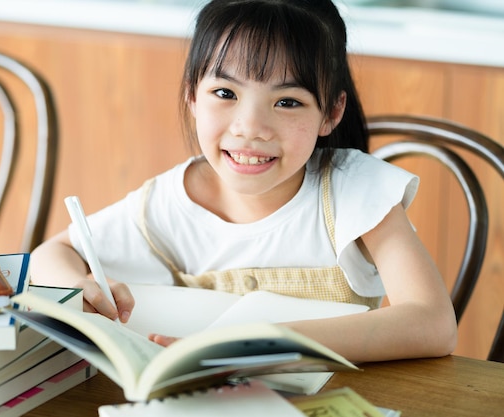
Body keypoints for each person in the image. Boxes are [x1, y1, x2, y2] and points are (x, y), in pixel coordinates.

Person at [30, 0, 457, 362]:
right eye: (225, 93)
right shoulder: (166, 204)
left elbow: (433, 323)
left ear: (331, 112)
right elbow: (55, 252)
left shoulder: (354, 192)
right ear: (191, 95)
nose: (250, 127)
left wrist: (259, 344)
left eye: (287, 101)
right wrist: (75, 287)